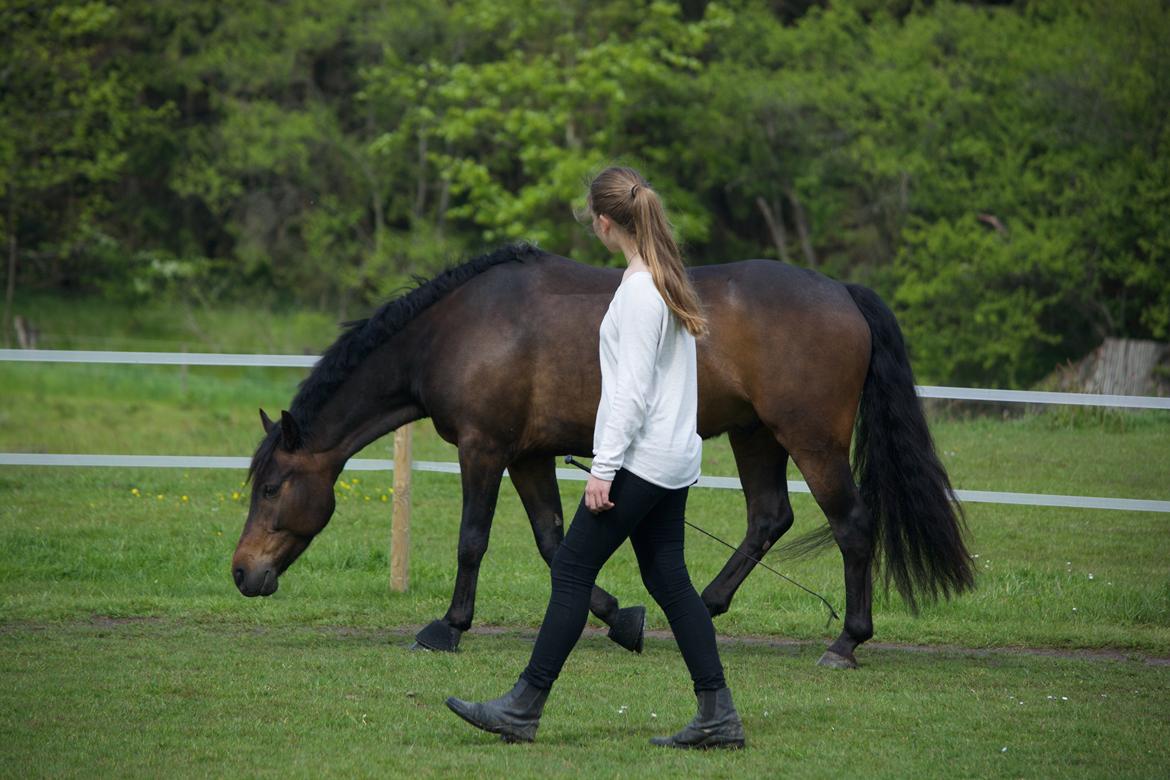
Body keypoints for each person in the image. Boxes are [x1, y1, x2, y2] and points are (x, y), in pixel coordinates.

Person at [445, 166, 745, 750]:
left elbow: (629, 392)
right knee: (668, 578)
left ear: (605, 223)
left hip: (640, 461)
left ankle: (523, 707)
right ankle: (718, 714)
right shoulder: (664, 277)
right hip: (672, 457)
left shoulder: (638, 291)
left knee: (573, 568)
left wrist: (604, 468)